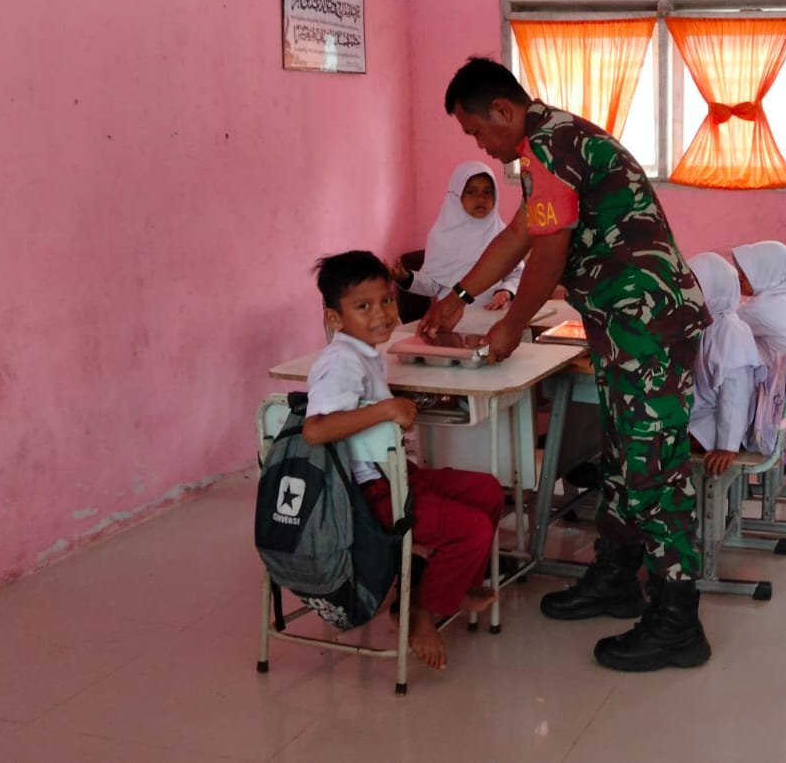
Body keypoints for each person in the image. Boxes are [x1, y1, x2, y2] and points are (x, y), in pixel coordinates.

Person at [421, 57, 712, 672]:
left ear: (503, 111)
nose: (480, 147)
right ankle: (616, 577)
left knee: (654, 469)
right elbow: (519, 236)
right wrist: (459, 297)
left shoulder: (552, 146)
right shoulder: (547, 145)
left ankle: (678, 619)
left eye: (477, 131)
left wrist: (511, 324)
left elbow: (550, 253)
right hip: (624, 326)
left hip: (646, 327)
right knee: (622, 457)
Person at [302, 251, 502, 670]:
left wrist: (394, 403)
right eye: (363, 306)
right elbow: (316, 430)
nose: (381, 314)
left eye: (386, 301)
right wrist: (386, 410)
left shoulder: (365, 351)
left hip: (396, 474)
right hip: (368, 494)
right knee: (472, 530)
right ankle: (420, 612)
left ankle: (453, 585)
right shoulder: (339, 362)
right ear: (334, 318)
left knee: (487, 490)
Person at [392, 160, 522, 311]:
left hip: (492, 314)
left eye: (487, 192)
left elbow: (517, 273)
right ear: (457, 195)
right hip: (452, 317)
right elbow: (432, 286)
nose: (481, 198)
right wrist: (406, 278)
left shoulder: (503, 234)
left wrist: (505, 291)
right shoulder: (441, 236)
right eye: (471, 192)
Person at [686, 252, 763, 476]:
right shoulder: (709, 324)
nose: (685, 292)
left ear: (715, 289)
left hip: (717, 427)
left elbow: (735, 394)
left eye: (694, 285)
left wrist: (726, 446)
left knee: (656, 443)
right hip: (705, 416)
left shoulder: (730, 331)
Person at [730, 240, 786, 367]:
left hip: (773, 377)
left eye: (746, 273)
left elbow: (719, 326)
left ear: (767, 273)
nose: (739, 278)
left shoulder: (762, 310)